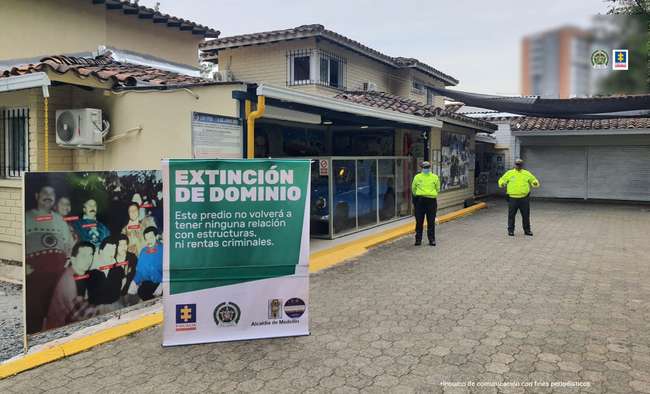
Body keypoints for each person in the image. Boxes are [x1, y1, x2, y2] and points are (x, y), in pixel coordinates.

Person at [24, 185, 74, 334]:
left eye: (52, 194)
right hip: (35, 279)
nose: (48, 196)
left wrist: (66, 263)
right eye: (44, 193)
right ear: (36, 196)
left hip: (57, 279)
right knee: (34, 318)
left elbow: (69, 246)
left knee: (57, 316)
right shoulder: (27, 217)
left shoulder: (59, 220)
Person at [43, 242, 98, 330]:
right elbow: (83, 315)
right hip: (58, 329)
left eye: (90, 255)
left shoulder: (78, 273)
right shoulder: (68, 281)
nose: (88, 259)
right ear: (73, 259)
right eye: (83, 256)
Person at [498, 158, 540, 236]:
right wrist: (501, 183)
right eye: (517, 164)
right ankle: (511, 230)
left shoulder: (527, 173)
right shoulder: (509, 173)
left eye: (520, 164)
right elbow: (502, 180)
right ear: (514, 165)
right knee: (511, 215)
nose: (518, 166)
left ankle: (527, 230)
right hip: (512, 198)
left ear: (522, 165)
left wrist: (535, 183)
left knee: (526, 215)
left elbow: (534, 180)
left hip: (524, 198)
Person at [411, 161, 440, 246]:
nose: (426, 169)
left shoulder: (434, 177)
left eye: (427, 167)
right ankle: (421, 240)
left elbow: (437, 188)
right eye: (425, 168)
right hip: (422, 201)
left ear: (429, 168)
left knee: (429, 221)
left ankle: (428, 240)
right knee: (420, 221)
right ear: (422, 168)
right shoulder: (417, 177)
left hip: (429, 201)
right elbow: (413, 189)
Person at [133, 226, 163, 301]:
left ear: (156, 237)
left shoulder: (164, 249)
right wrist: (134, 282)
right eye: (146, 239)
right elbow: (140, 270)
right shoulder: (143, 251)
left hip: (163, 283)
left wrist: (162, 285)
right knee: (141, 291)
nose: (148, 241)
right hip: (149, 284)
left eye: (150, 238)